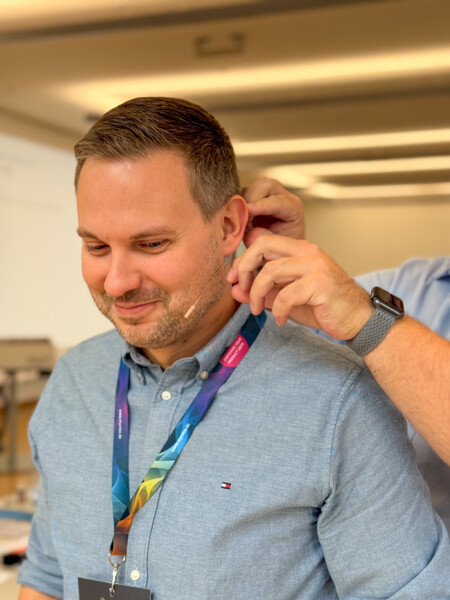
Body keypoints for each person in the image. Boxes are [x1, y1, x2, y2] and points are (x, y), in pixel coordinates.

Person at [18, 98, 450, 600]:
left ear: (228, 227)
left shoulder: (338, 402)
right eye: (96, 246)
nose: (116, 283)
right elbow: (46, 578)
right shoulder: (73, 380)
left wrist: (360, 317)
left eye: (152, 244)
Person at [231, 178, 450, 467]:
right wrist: (284, 266)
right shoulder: (411, 284)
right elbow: (328, 323)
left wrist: (367, 320)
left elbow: (357, 313)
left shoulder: (377, 307)